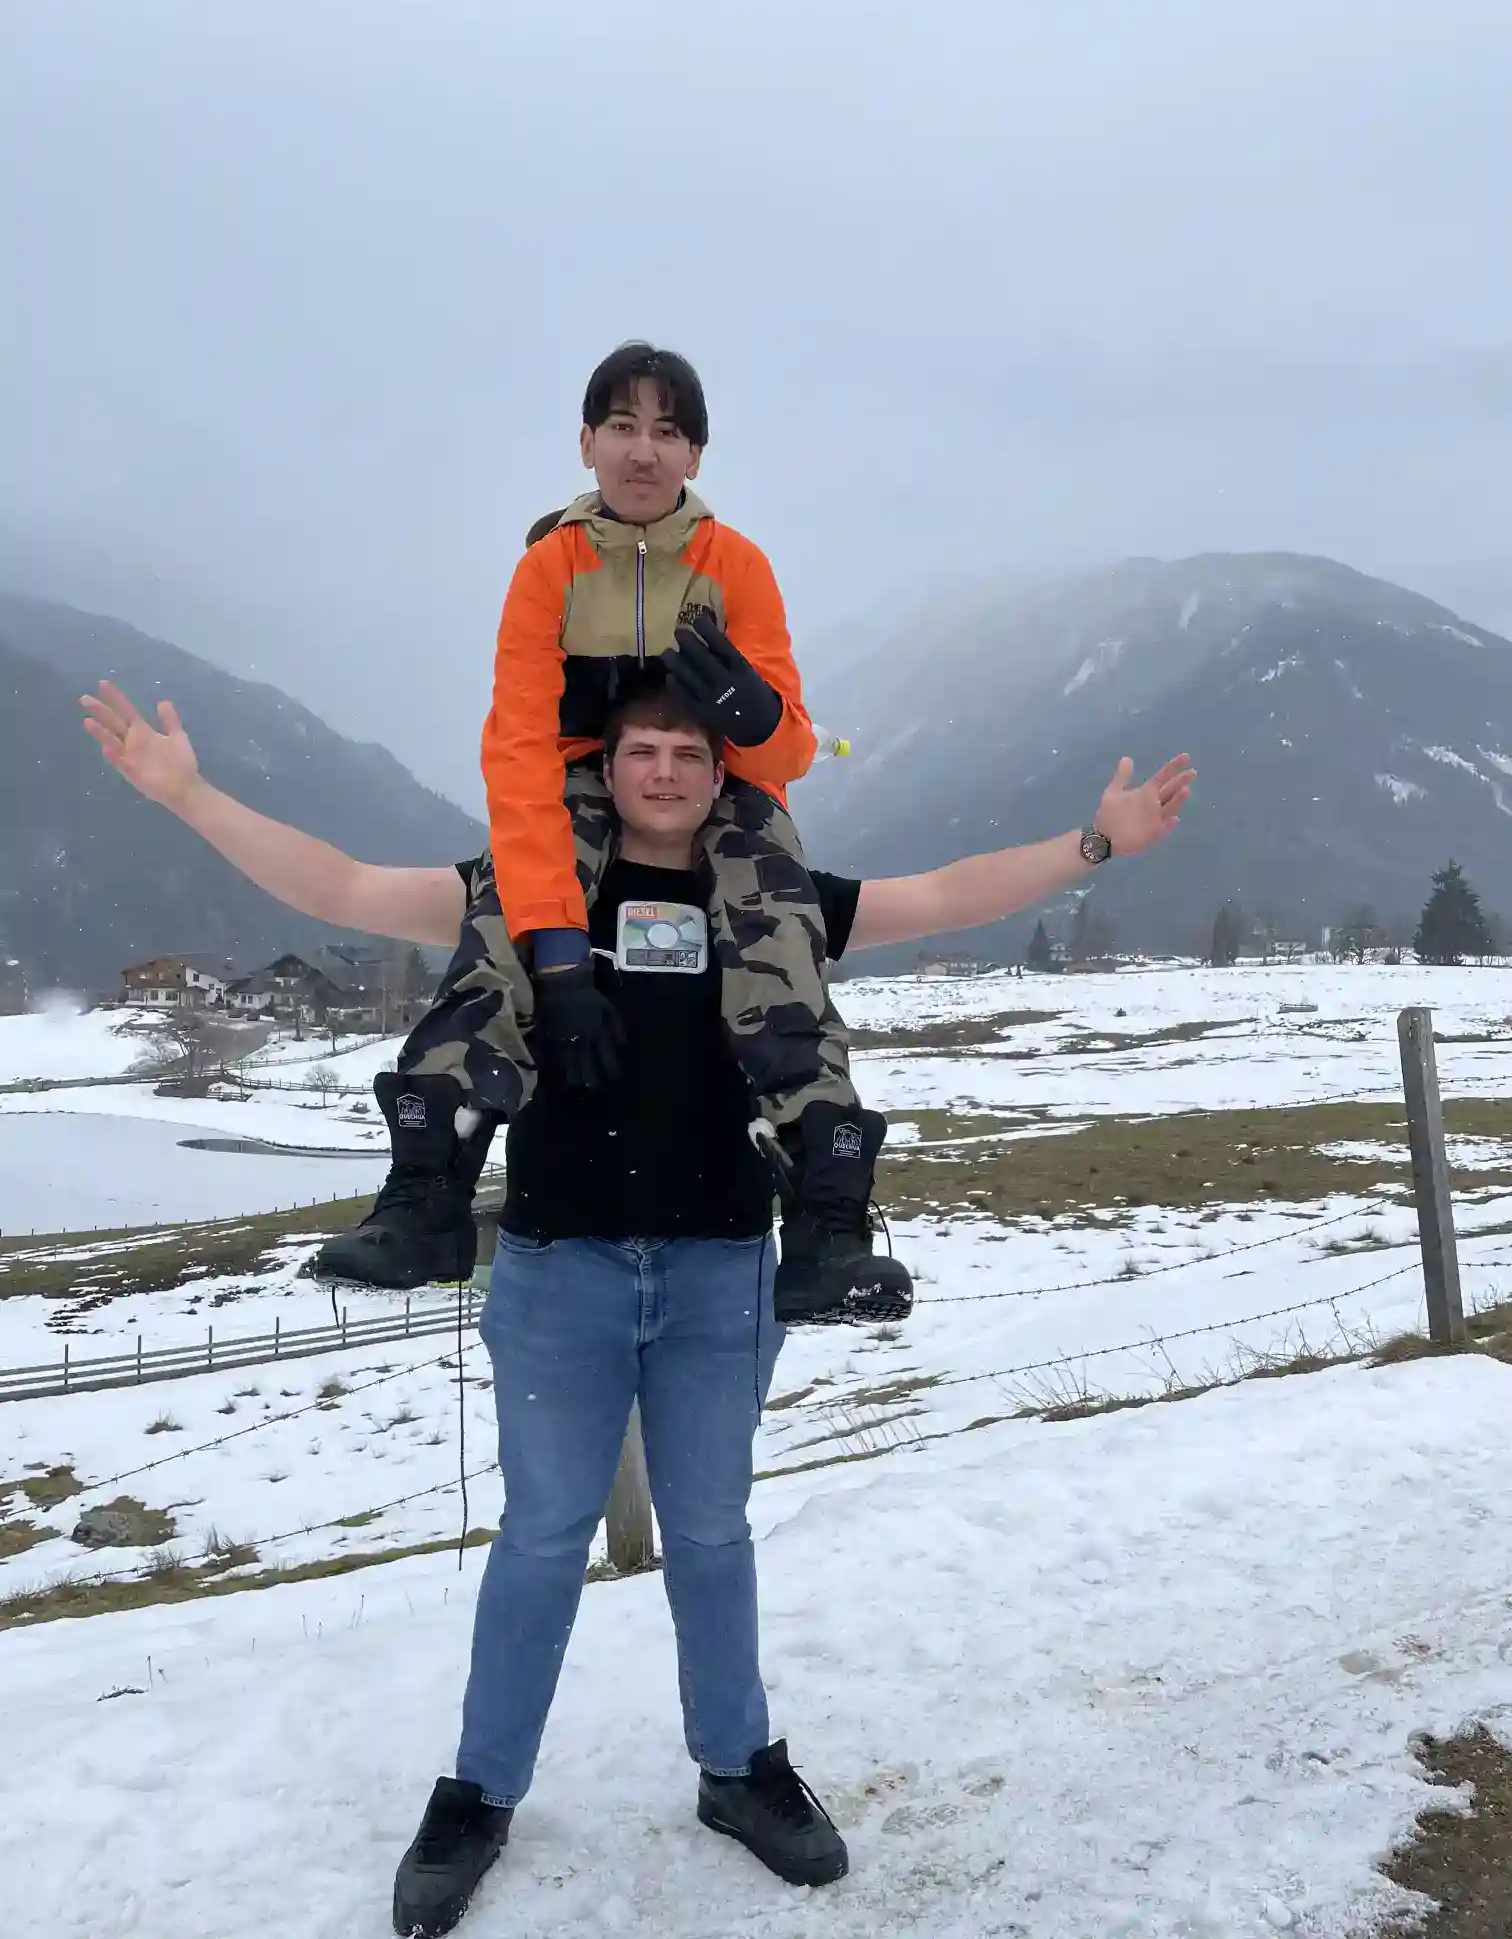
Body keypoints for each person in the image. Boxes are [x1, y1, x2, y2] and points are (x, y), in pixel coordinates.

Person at [83, 674, 1192, 1937]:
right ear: (603, 768)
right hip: (563, 1270)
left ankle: (739, 1769)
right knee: (543, 1537)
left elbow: (946, 895)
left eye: (688, 753)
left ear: (724, 776)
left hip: (725, 1269)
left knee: (713, 1531)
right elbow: (338, 885)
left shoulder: (772, 900)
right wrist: (188, 796)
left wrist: (1098, 843)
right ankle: (479, 1794)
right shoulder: (533, 885)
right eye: (640, 751)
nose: (663, 771)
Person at [311, 341, 908, 1328]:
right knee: (505, 902)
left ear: (697, 455)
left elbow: (789, 751)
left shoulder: (737, 566)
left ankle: (826, 1218)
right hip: (579, 777)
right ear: (586, 443)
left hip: (713, 778)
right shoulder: (550, 569)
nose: (644, 450)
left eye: (668, 430)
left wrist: (752, 717)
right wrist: (557, 959)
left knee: (778, 905)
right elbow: (516, 755)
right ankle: (427, 1190)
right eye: (623, 427)